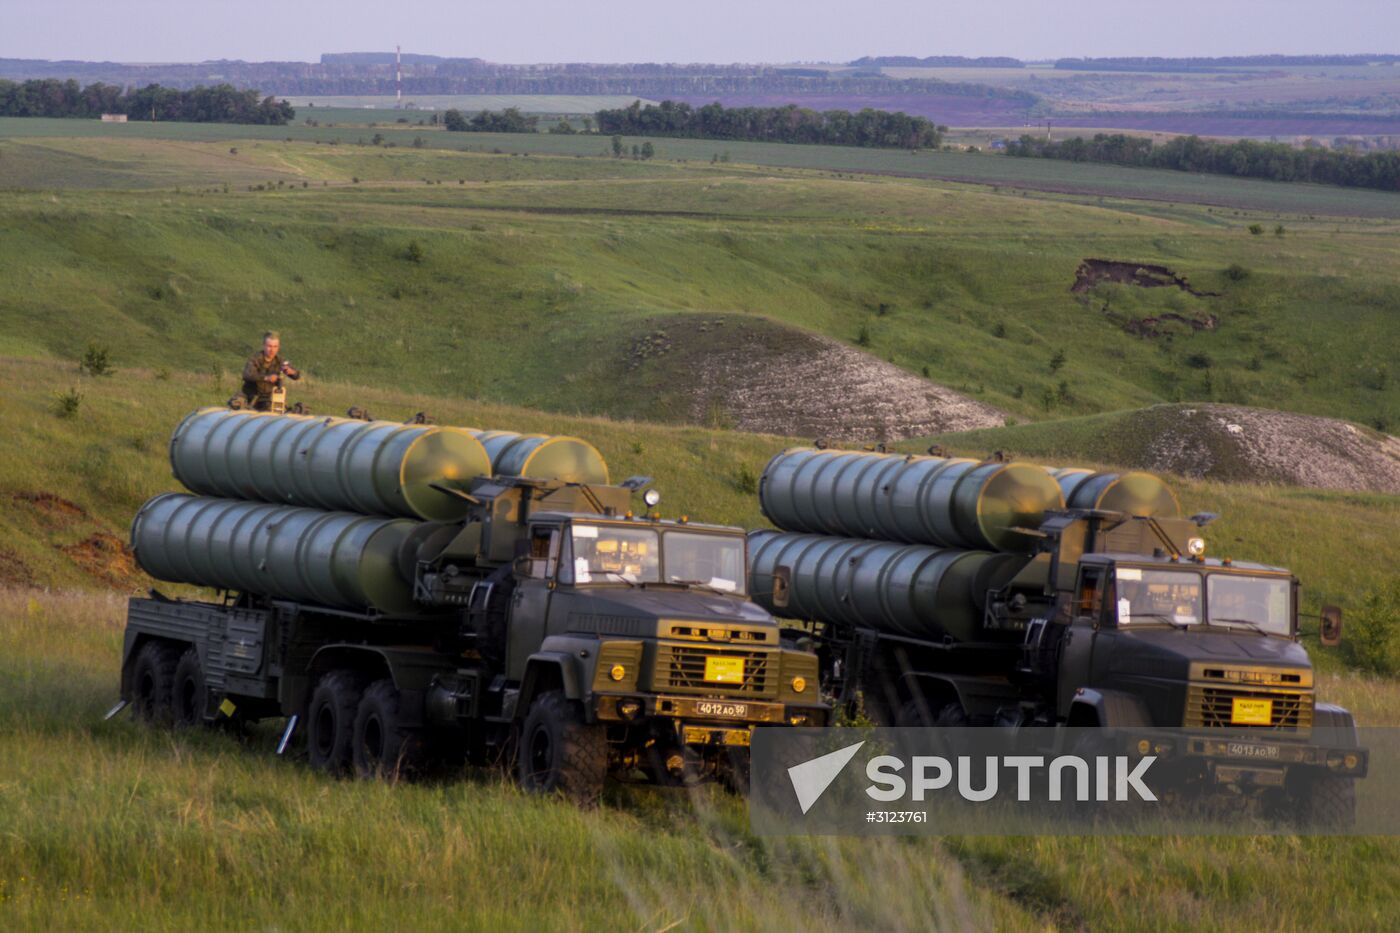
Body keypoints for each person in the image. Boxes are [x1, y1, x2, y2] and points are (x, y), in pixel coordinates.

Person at [240, 331, 301, 411]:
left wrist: (291, 372)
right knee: (236, 403)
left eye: (275, 347)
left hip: (269, 398)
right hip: (251, 395)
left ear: (278, 347)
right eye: (269, 346)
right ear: (264, 346)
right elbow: (247, 375)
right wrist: (266, 378)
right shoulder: (255, 359)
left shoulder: (280, 361)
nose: (272, 350)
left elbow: (297, 375)